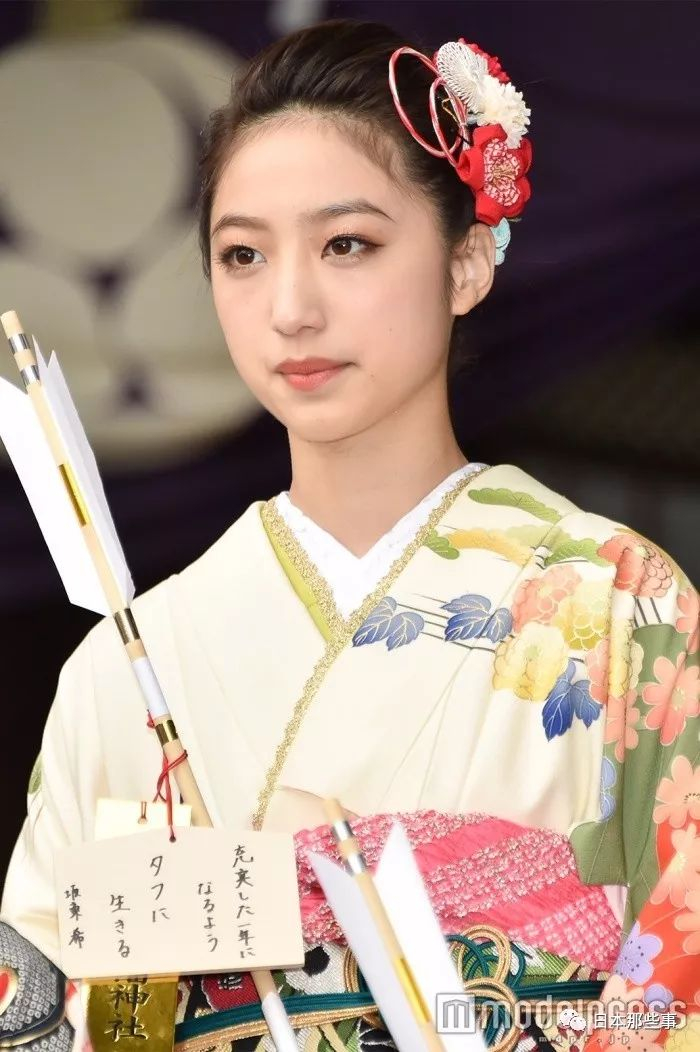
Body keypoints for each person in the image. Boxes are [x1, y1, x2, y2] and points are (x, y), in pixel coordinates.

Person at [2, 17, 699, 1052]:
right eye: (243, 254)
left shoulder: (616, 600)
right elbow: (39, 1012)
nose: (290, 307)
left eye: (347, 245)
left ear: (466, 264)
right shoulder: (123, 664)